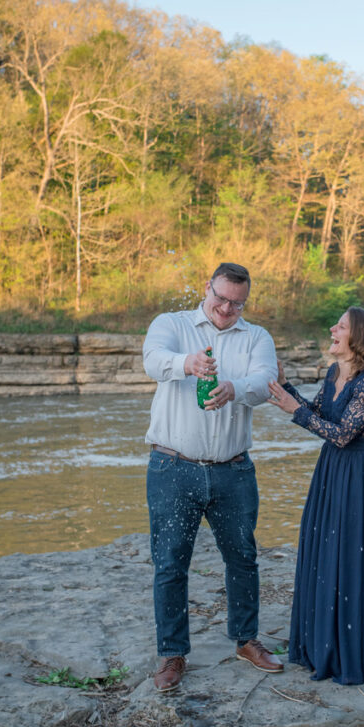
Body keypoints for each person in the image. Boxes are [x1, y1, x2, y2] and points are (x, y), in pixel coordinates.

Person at [143, 262, 283, 692]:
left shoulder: (256, 336)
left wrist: (235, 389)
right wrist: (187, 363)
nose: (226, 308)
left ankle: (246, 640)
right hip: (172, 466)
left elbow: (266, 381)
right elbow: (152, 361)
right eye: (220, 298)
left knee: (242, 558)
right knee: (170, 564)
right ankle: (172, 654)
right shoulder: (172, 324)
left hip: (233, 470)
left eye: (236, 303)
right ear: (208, 288)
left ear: (245, 301)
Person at [268, 306, 364, 685]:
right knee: (322, 552)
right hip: (330, 471)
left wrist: (296, 410)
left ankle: (349, 652)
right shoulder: (334, 373)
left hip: (356, 476)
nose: (332, 329)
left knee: (348, 556)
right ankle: (321, 645)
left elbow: (343, 434)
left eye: (340, 326)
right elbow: (319, 415)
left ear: (358, 338)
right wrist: (286, 388)